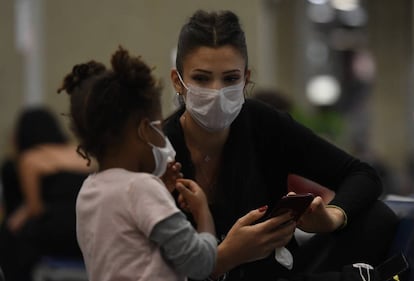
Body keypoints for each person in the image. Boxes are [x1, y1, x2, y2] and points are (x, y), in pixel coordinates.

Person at [163, 9, 399, 281]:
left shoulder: (262, 124)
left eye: (230, 79)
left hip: (281, 272)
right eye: (202, 78)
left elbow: (363, 175)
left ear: (246, 78)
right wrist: (226, 256)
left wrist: (332, 216)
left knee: (377, 218)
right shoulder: (160, 151)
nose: (216, 92)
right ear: (177, 81)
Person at [57, 46, 218, 281]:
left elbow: (129, 245)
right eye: (159, 129)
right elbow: (199, 263)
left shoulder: (88, 192)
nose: (163, 139)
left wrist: (161, 191)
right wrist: (203, 212)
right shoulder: (142, 189)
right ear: (144, 130)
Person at [0, 106, 93, 281]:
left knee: (10, 232)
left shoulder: (31, 158)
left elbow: (35, 208)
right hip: (88, 228)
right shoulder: (80, 153)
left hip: (57, 233)